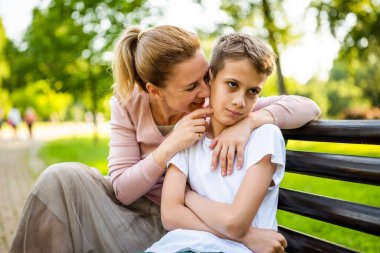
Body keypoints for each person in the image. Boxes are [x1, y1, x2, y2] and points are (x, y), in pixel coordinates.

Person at [10, 25, 320, 253]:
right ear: (155, 90)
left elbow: (307, 107)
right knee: (60, 178)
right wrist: (169, 146)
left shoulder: (221, 102)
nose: (203, 91)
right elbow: (121, 190)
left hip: (184, 223)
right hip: (135, 214)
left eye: (206, 77)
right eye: (190, 87)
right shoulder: (128, 104)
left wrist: (251, 121)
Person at [146, 32, 286, 253]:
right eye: (232, 84)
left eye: (253, 91)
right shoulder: (188, 134)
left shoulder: (264, 136)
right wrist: (246, 237)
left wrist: (188, 196)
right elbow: (170, 215)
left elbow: (234, 222)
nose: (240, 101)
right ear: (210, 78)